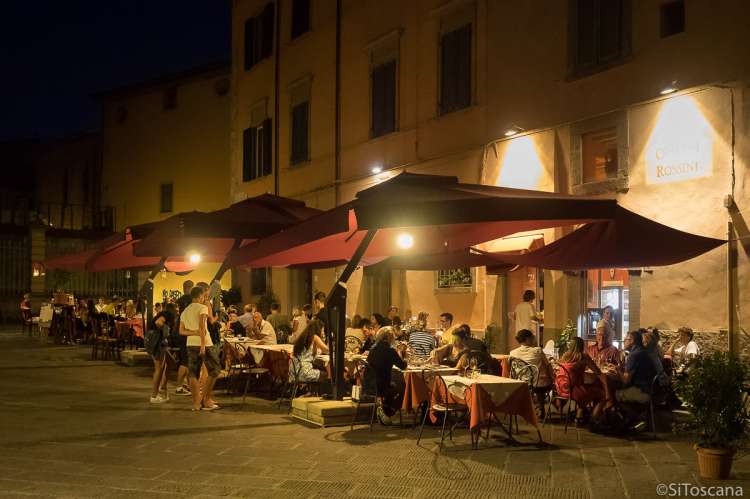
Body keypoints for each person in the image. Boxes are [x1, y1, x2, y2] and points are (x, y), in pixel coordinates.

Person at [179, 286, 220, 411]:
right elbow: (202, 327)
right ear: (201, 296)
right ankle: (206, 399)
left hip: (190, 344)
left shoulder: (185, 311)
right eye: (204, 296)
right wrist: (202, 344)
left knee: (193, 373)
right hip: (205, 344)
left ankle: (196, 403)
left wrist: (194, 333)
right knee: (215, 370)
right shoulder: (203, 308)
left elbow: (182, 331)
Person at [557, 337, 607, 422]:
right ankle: (593, 419)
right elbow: (597, 372)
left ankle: (579, 414)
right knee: (603, 394)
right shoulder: (583, 357)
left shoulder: (564, 356)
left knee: (589, 387)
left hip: (562, 389)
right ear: (582, 346)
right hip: (576, 390)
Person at [366, 327, 407, 421]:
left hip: (369, 385)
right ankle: (389, 413)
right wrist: (401, 352)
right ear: (390, 338)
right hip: (381, 387)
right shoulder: (390, 351)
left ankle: (384, 410)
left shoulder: (373, 349)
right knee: (404, 388)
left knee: (393, 385)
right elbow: (403, 366)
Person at [510, 329, 554, 414]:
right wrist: (553, 378)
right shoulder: (537, 351)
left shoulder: (512, 353)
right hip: (537, 385)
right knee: (542, 381)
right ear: (528, 339)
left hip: (520, 383)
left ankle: (532, 406)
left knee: (537, 379)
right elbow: (548, 366)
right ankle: (540, 407)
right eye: (532, 337)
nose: (534, 339)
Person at [615, 330, 657, 404]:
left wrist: (618, 369)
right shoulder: (644, 351)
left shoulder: (633, 355)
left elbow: (626, 381)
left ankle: (628, 414)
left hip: (641, 391)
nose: (624, 341)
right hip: (651, 389)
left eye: (626, 339)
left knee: (611, 393)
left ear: (632, 341)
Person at [149, 303, 177, 403]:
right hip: (157, 343)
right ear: (173, 309)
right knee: (159, 367)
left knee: (171, 362)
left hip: (154, 341)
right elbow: (158, 323)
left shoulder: (163, 313)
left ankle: (163, 387)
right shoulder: (168, 314)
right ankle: (154, 396)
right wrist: (165, 333)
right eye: (176, 309)